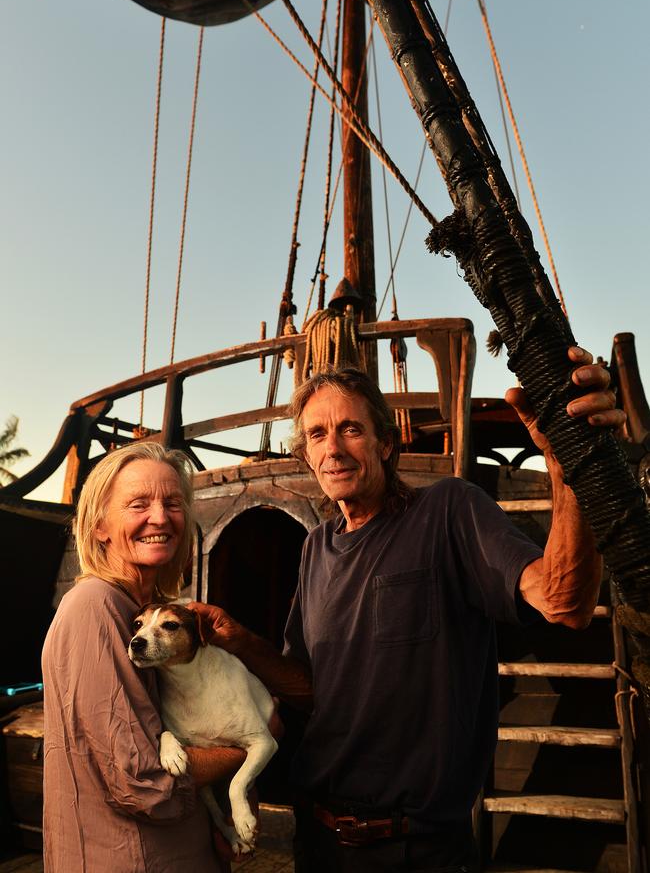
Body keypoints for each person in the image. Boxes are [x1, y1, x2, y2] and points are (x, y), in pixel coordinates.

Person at [189, 346, 625, 872]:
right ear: (304, 454)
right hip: (319, 841)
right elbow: (310, 690)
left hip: (416, 851)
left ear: (387, 442)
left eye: (350, 429)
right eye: (316, 435)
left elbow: (565, 602)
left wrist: (569, 460)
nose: (334, 449)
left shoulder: (448, 512)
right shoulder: (317, 547)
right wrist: (240, 640)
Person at [41, 441, 265, 873]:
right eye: (138, 504)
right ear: (100, 525)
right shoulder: (95, 606)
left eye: (173, 503)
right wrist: (251, 743)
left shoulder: (147, 610)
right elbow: (141, 781)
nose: (160, 517)